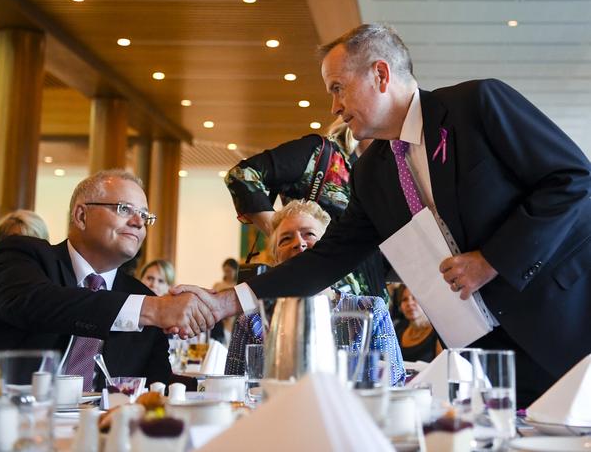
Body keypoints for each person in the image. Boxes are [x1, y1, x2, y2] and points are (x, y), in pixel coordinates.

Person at [173, 24, 591, 408]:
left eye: (338, 88)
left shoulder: (476, 105)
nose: (334, 107)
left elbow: (572, 180)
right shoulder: (374, 172)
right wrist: (226, 300)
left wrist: (492, 260)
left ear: (381, 74)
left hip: (567, 322)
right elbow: (327, 257)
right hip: (492, 357)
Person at [0, 169, 216, 392]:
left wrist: (211, 391)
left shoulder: (142, 297)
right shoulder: (24, 256)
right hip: (12, 423)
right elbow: (36, 302)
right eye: (124, 209)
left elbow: (157, 386)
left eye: (144, 215)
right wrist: (153, 309)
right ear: (81, 215)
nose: (138, 222)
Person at [224, 200, 404, 386]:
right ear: (275, 257)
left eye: (309, 234)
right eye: (286, 239)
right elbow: (231, 388)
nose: (299, 243)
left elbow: (394, 384)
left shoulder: (369, 311)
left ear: (329, 249)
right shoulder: (252, 321)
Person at [225, 120, 385, 298]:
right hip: (318, 292)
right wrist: (279, 232)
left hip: (369, 293)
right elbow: (242, 175)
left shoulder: (373, 172)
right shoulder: (321, 153)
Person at [394, 285, 442, 363]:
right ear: (400, 306)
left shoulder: (439, 332)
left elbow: (442, 368)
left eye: (414, 297)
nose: (409, 303)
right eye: (404, 299)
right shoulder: (398, 328)